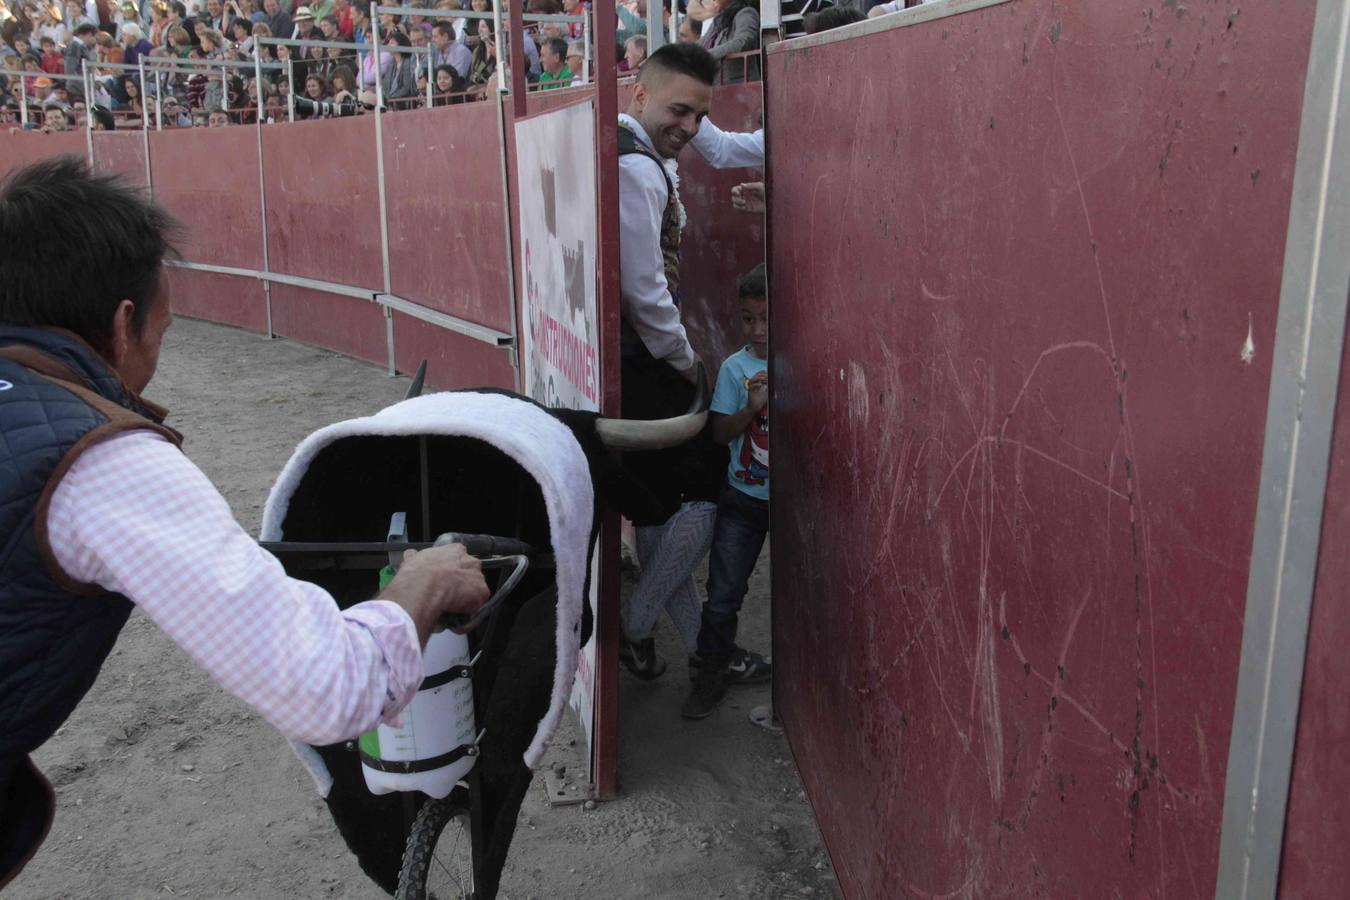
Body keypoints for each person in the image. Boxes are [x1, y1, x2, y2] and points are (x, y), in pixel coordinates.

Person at [0, 158, 491, 889]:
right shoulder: (99, 462)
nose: (154, 359)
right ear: (122, 323)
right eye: (160, 336)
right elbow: (327, 688)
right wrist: (422, 580)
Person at [615, 43, 728, 679]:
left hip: (629, 359)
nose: (687, 126)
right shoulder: (636, 168)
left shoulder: (637, 153)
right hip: (647, 363)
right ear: (640, 94)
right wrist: (689, 366)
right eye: (678, 110)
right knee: (703, 495)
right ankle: (637, 625)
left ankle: (699, 652)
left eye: (697, 117)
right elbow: (645, 291)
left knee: (661, 508)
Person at [682, 263, 772, 719]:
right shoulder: (737, 369)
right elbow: (719, 435)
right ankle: (711, 673)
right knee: (723, 595)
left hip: (797, 506)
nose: (756, 329)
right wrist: (753, 407)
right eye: (747, 318)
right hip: (744, 500)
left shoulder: (807, 358)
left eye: (765, 318)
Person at [700, 0, 758, 83]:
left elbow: (743, 41)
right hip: (722, 88)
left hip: (742, 87)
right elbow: (700, 44)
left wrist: (708, 55)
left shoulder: (746, 12)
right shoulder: (718, 22)